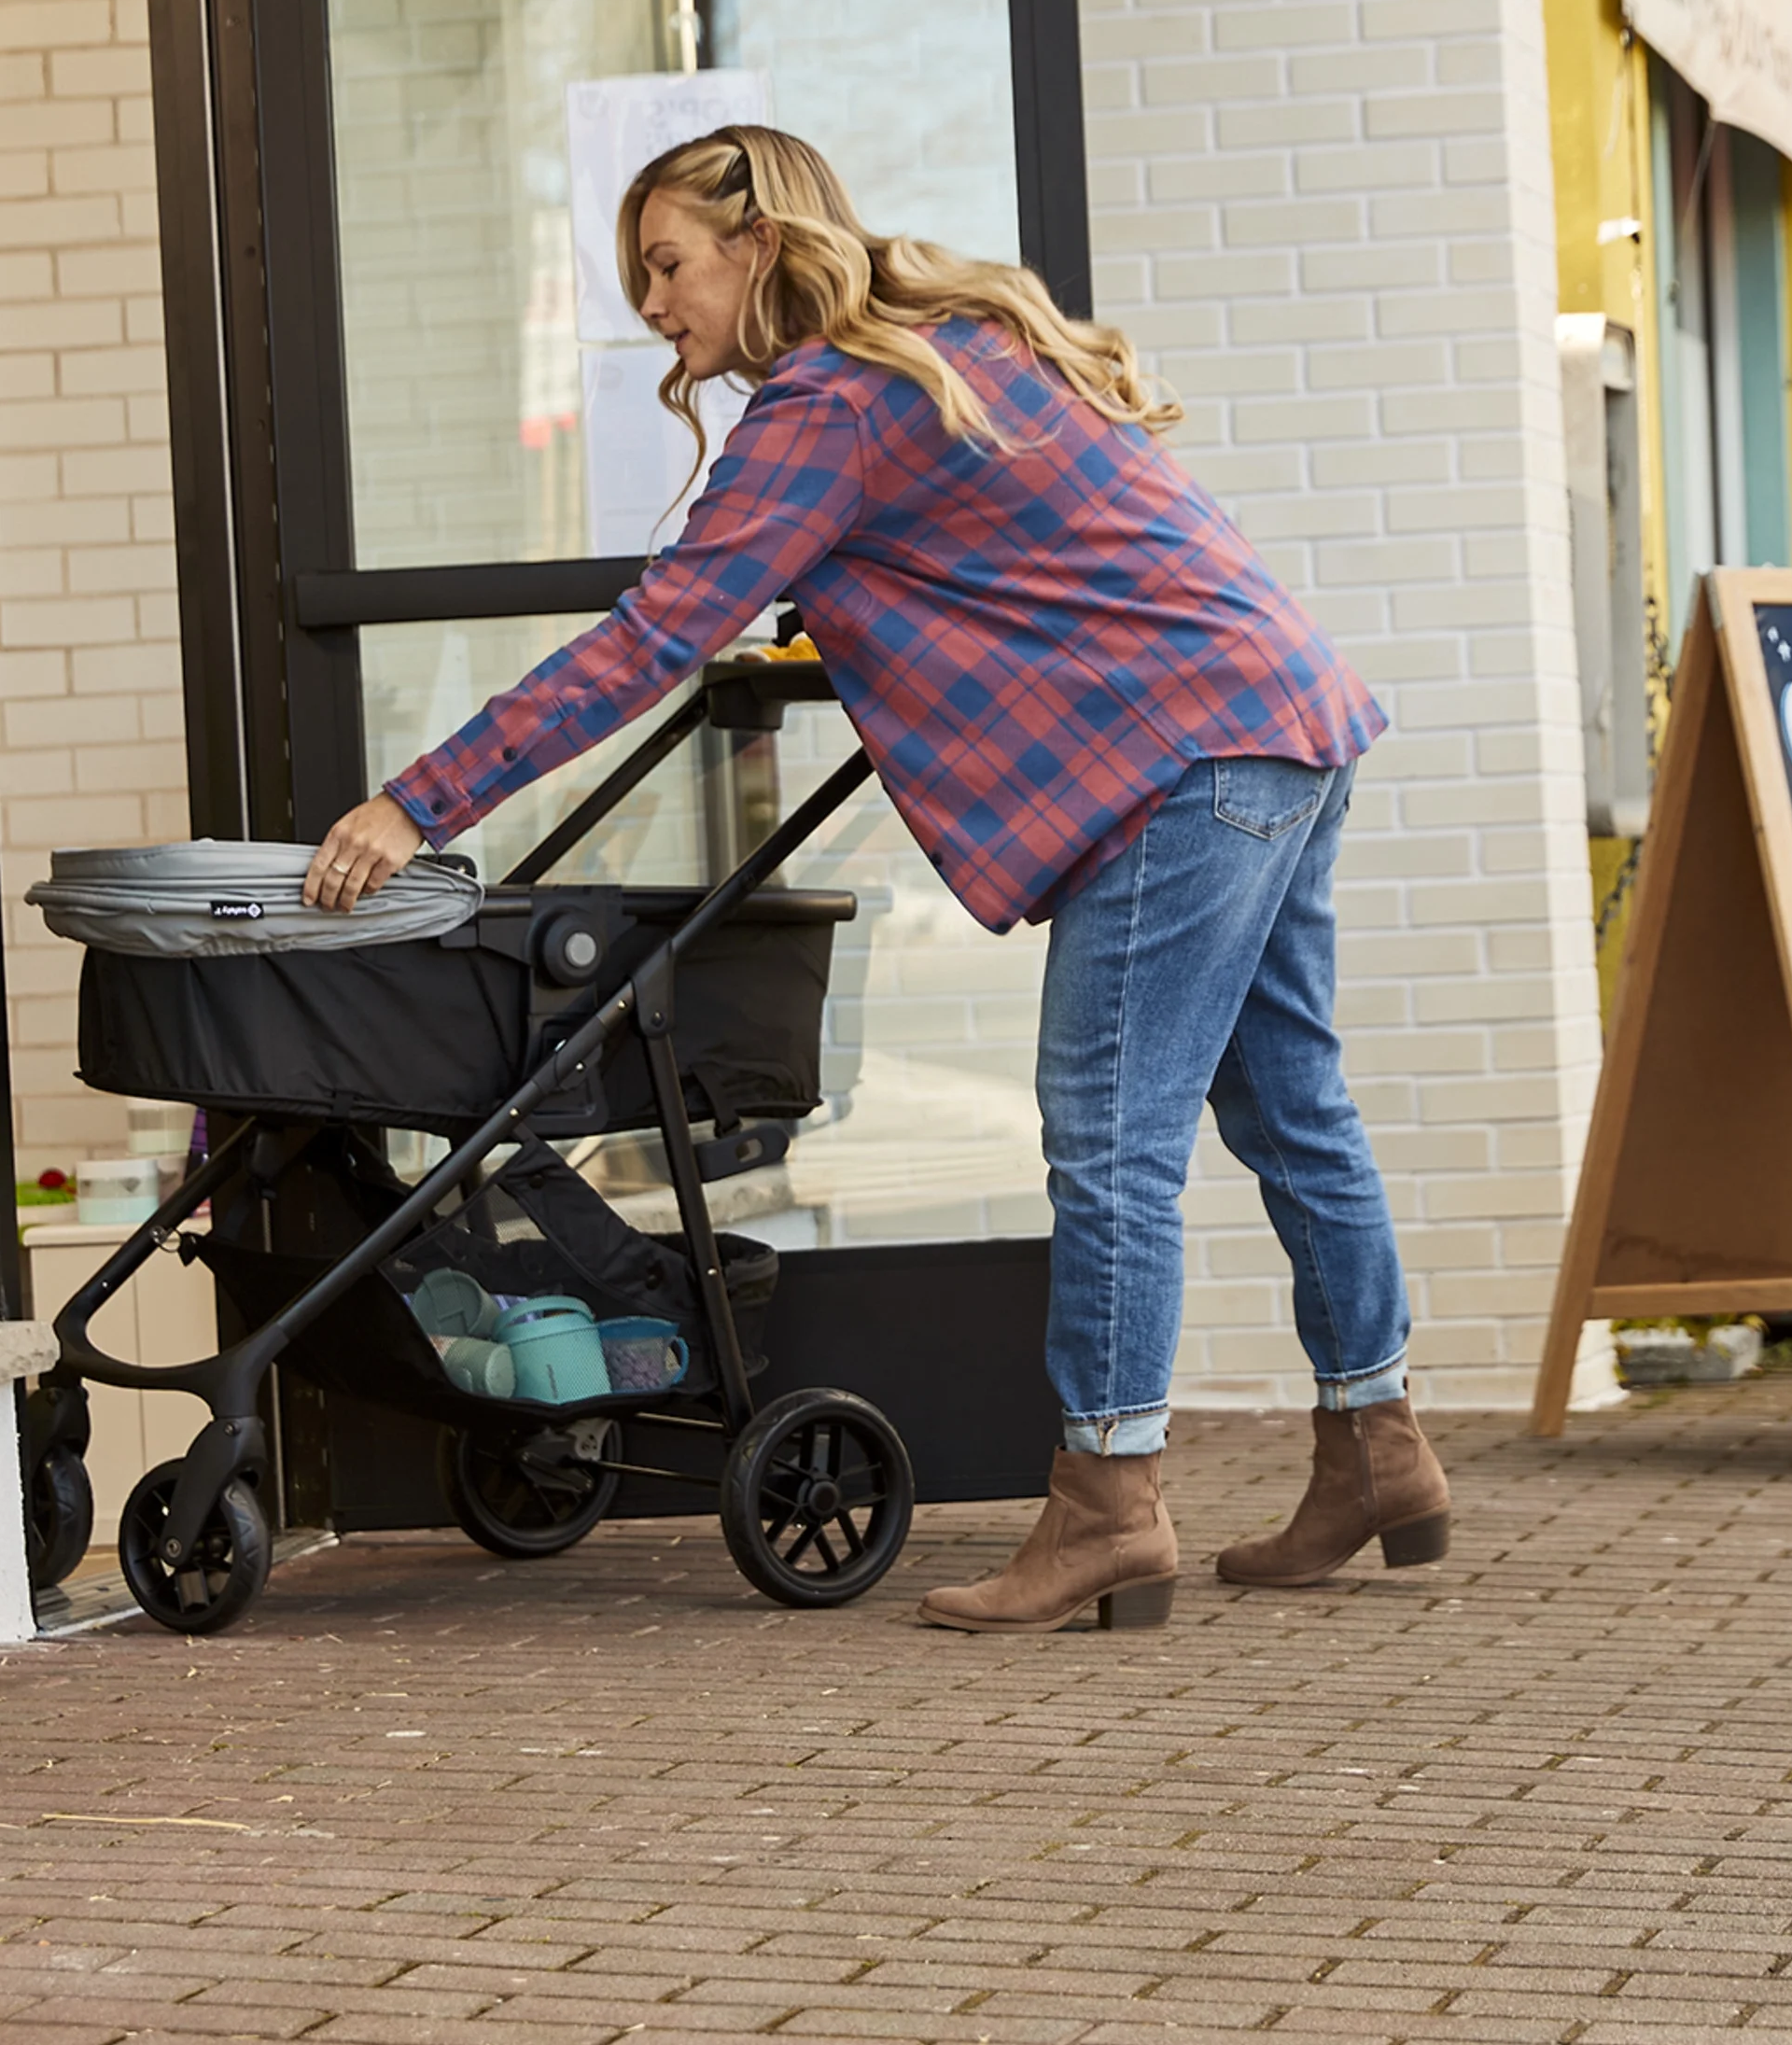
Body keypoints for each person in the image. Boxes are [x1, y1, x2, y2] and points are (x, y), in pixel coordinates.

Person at [304, 127, 1449, 1632]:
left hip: (1184, 768)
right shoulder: (942, 346)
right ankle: (1381, 1446)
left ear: (758, 245)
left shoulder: (829, 405)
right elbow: (1017, 557)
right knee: (1292, 1104)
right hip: (1276, 717)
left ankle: (1109, 1503)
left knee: (1108, 1138)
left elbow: (647, 640)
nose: (653, 304)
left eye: (667, 263)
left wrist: (417, 800)